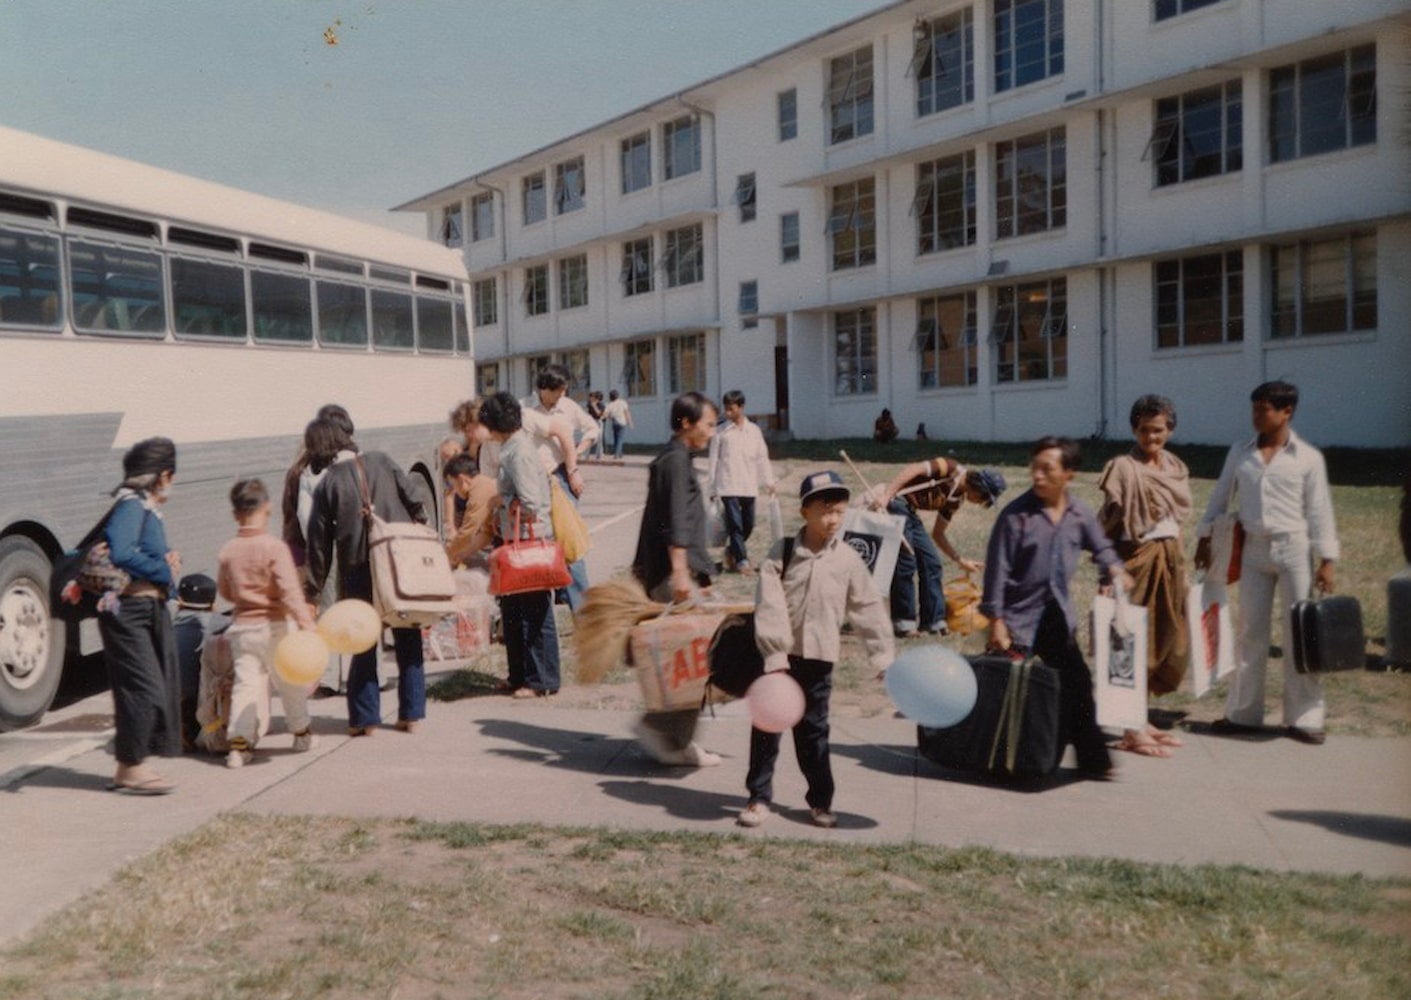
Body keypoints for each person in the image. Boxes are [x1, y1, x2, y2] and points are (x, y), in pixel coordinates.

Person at [738, 470, 894, 829]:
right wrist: (775, 655)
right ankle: (758, 798)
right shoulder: (784, 552)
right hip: (781, 660)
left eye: (839, 511)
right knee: (767, 729)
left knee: (814, 733)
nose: (833, 519)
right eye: (824, 511)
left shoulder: (849, 560)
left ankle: (820, 801)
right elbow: (770, 604)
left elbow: (867, 607)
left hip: (820, 658)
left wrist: (883, 656)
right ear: (804, 511)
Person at [1194, 381, 1340, 746]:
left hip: (1295, 550)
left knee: (1301, 634)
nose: (1257, 416)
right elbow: (1219, 498)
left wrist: (1327, 560)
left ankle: (1305, 718)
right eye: (1254, 409)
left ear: (1286, 412)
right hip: (1253, 551)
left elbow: (1320, 510)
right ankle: (1243, 713)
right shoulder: (1240, 453)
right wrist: (1204, 538)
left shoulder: (1307, 458)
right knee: (1250, 632)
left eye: (1265, 410)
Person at [981, 436, 1133, 780]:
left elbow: (1102, 547)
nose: (1037, 476)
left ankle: (1094, 761)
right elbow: (996, 572)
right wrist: (996, 622)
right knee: (1012, 692)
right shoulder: (1015, 516)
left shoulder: (1079, 513)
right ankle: (997, 759)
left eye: (1047, 469)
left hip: (1055, 615)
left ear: (1069, 474)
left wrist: (1114, 568)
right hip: (1017, 618)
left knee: (1076, 685)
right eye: (1034, 468)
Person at [306, 420, 429, 736]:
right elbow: (415, 498)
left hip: (358, 569)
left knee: (362, 641)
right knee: (407, 632)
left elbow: (319, 546)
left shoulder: (328, 484)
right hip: (398, 564)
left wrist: (314, 591)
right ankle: (411, 715)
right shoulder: (382, 460)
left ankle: (365, 719)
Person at [1097, 395, 1192, 758]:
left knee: (1165, 638)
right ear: (1134, 430)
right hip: (1133, 562)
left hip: (1170, 561)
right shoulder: (1122, 467)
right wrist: (1107, 574)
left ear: (1169, 430)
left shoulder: (1174, 467)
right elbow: (1105, 524)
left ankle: (1141, 719)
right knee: (1130, 643)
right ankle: (1130, 728)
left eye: (1158, 430)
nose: (1151, 437)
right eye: (1144, 431)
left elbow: (1177, 522)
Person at [631, 391, 722, 767]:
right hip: (673, 576)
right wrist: (683, 571)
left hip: (675, 572)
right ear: (686, 423)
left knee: (689, 659)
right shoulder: (676, 461)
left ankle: (674, 736)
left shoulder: (674, 458)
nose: (712, 432)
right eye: (709, 424)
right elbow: (675, 520)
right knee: (694, 660)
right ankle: (664, 732)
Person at [100, 436, 183, 795]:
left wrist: (166, 562)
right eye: (172, 476)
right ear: (163, 475)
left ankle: (127, 766)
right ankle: (133, 766)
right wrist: (162, 571)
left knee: (148, 687)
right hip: (129, 612)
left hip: (146, 608)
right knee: (144, 688)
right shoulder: (132, 505)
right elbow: (121, 551)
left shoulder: (142, 506)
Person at [216, 478, 318, 768]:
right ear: (268, 508)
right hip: (276, 627)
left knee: (245, 686)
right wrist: (307, 626)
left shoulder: (228, 550)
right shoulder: (275, 548)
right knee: (290, 683)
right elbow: (290, 592)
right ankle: (301, 734)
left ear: (235, 513)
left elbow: (224, 591)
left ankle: (239, 746)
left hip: (243, 629)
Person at [479, 392, 561, 698]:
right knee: (512, 613)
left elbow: (532, 502)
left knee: (534, 613)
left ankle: (541, 680)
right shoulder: (510, 448)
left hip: (528, 542)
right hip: (514, 539)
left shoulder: (520, 452)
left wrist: (503, 500)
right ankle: (518, 675)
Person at [869, 457, 1008, 638]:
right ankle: (903, 623)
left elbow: (938, 534)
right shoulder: (950, 468)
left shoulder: (956, 500)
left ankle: (934, 621)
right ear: (979, 486)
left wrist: (959, 559)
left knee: (932, 563)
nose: (981, 502)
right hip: (896, 504)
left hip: (910, 514)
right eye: (984, 497)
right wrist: (886, 496)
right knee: (906, 561)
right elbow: (914, 469)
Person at [523, 364, 597, 609]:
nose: (561, 396)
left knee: (570, 543)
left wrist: (575, 458)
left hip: (562, 476)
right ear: (543, 389)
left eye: (565, 390)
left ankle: (583, 609)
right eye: (557, 391)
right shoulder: (525, 409)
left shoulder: (568, 407)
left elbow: (592, 428)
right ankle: (562, 593)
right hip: (534, 481)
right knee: (542, 541)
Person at [707, 389, 777, 574]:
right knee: (735, 525)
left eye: (731, 409)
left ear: (741, 407)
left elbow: (762, 457)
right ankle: (742, 561)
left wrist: (769, 481)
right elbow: (713, 460)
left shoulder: (753, 431)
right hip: (728, 485)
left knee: (748, 524)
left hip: (748, 485)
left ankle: (732, 551)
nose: (727, 413)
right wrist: (712, 488)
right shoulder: (721, 432)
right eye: (726, 409)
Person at [170, 572, 219, 751]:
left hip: (164, 693)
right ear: (213, 604)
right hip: (194, 697)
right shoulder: (217, 624)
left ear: (180, 601)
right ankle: (191, 728)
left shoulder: (167, 625)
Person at [443, 452, 498, 568]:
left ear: (462, 480)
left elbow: (467, 532)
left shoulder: (478, 492)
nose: (455, 491)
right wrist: (462, 555)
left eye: (453, 484)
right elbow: (487, 534)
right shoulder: (481, 484)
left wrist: (445, 555)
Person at [604, 389, 633, 463]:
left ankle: (619, 453)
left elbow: (606, 415)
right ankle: (617, 454)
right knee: (620, 438)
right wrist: (630, 422)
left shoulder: (609, 404)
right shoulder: (623, 402)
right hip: (622, 422)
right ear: (617, 396)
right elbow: (626, 413)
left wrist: (610, 417)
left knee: (616, 438)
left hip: (614, 422)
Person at [586, 390, 607, 462]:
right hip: (591, 421)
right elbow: (588, 412)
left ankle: (599, 455)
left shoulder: (601, 405)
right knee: (589, 437)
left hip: (598, 422)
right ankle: (586, 455)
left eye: (594, 396)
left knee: (599, 439)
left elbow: (599, 414)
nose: (592, 398)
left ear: (597, 398)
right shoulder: (590, 404)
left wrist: (594, 406)